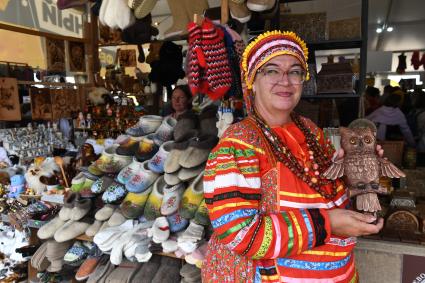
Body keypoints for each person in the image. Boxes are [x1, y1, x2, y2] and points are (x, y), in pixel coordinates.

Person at [202, 31, 383, 282]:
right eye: (272, 71)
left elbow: (327, 193)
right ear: (252, 80)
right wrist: (327, 223)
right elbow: (241, 234)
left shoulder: (310, 130)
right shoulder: (238, 144)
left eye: (295, 71)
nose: (285, 81)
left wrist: (355, 173)